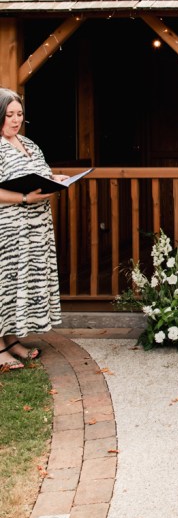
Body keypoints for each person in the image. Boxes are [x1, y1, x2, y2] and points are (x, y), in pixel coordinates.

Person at [0, 88, 65, 373]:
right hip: (8, 231)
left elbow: (39, 173)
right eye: (9, 115)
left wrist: (55, 178)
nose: (16, 120)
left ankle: (11, 340)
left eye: (19, 114)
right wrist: (25, 198)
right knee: (4, 285)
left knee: (20, 284)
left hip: (35, 230)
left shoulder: (28, 143)